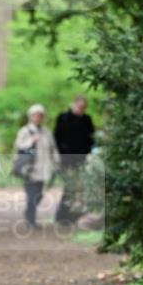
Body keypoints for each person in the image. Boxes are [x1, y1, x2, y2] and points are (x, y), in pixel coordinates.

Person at [14, 104, 60, 229]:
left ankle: (29, 214)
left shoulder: (46, 132)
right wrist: (31, 141)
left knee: (38, 194)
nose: (38, 118)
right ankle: (30, 220)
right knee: (31, 195)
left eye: (40, 116)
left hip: (42, 169)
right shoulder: (24, 131)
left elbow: (53, 149)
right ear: (30, 116)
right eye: (35, 115)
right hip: (29, 169)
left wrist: (57, 162)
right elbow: (19, 147)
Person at [54, 95, 94, 223]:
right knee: (70, 186)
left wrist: (86, 152)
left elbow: (90, 138)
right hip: (66, 159)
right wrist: (61, 156)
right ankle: (62, 214)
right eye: (79, 106)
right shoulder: (63, 118)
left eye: (84, 107)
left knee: (78, 188)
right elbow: (57, 138)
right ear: (74, 104)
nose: (81, 109)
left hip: (81, 159)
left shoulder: (86, 120)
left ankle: (69, 213)